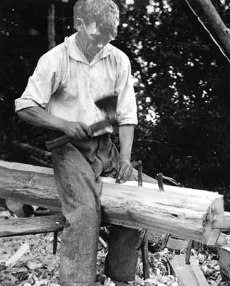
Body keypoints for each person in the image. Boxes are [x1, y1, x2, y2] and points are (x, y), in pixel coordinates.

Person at [15, 0, 144, 285]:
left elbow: (127, 115)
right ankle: (77, 282)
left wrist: (124, 158)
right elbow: (25, 106)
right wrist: (64, 124)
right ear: (79, 24)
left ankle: (119, 278)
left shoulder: (118, 60)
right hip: (68, 147)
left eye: (108, 39)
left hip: (105, 147)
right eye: (97, 38)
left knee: (135, 201)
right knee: (85, 212)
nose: (102, 45)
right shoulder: (55, 59)